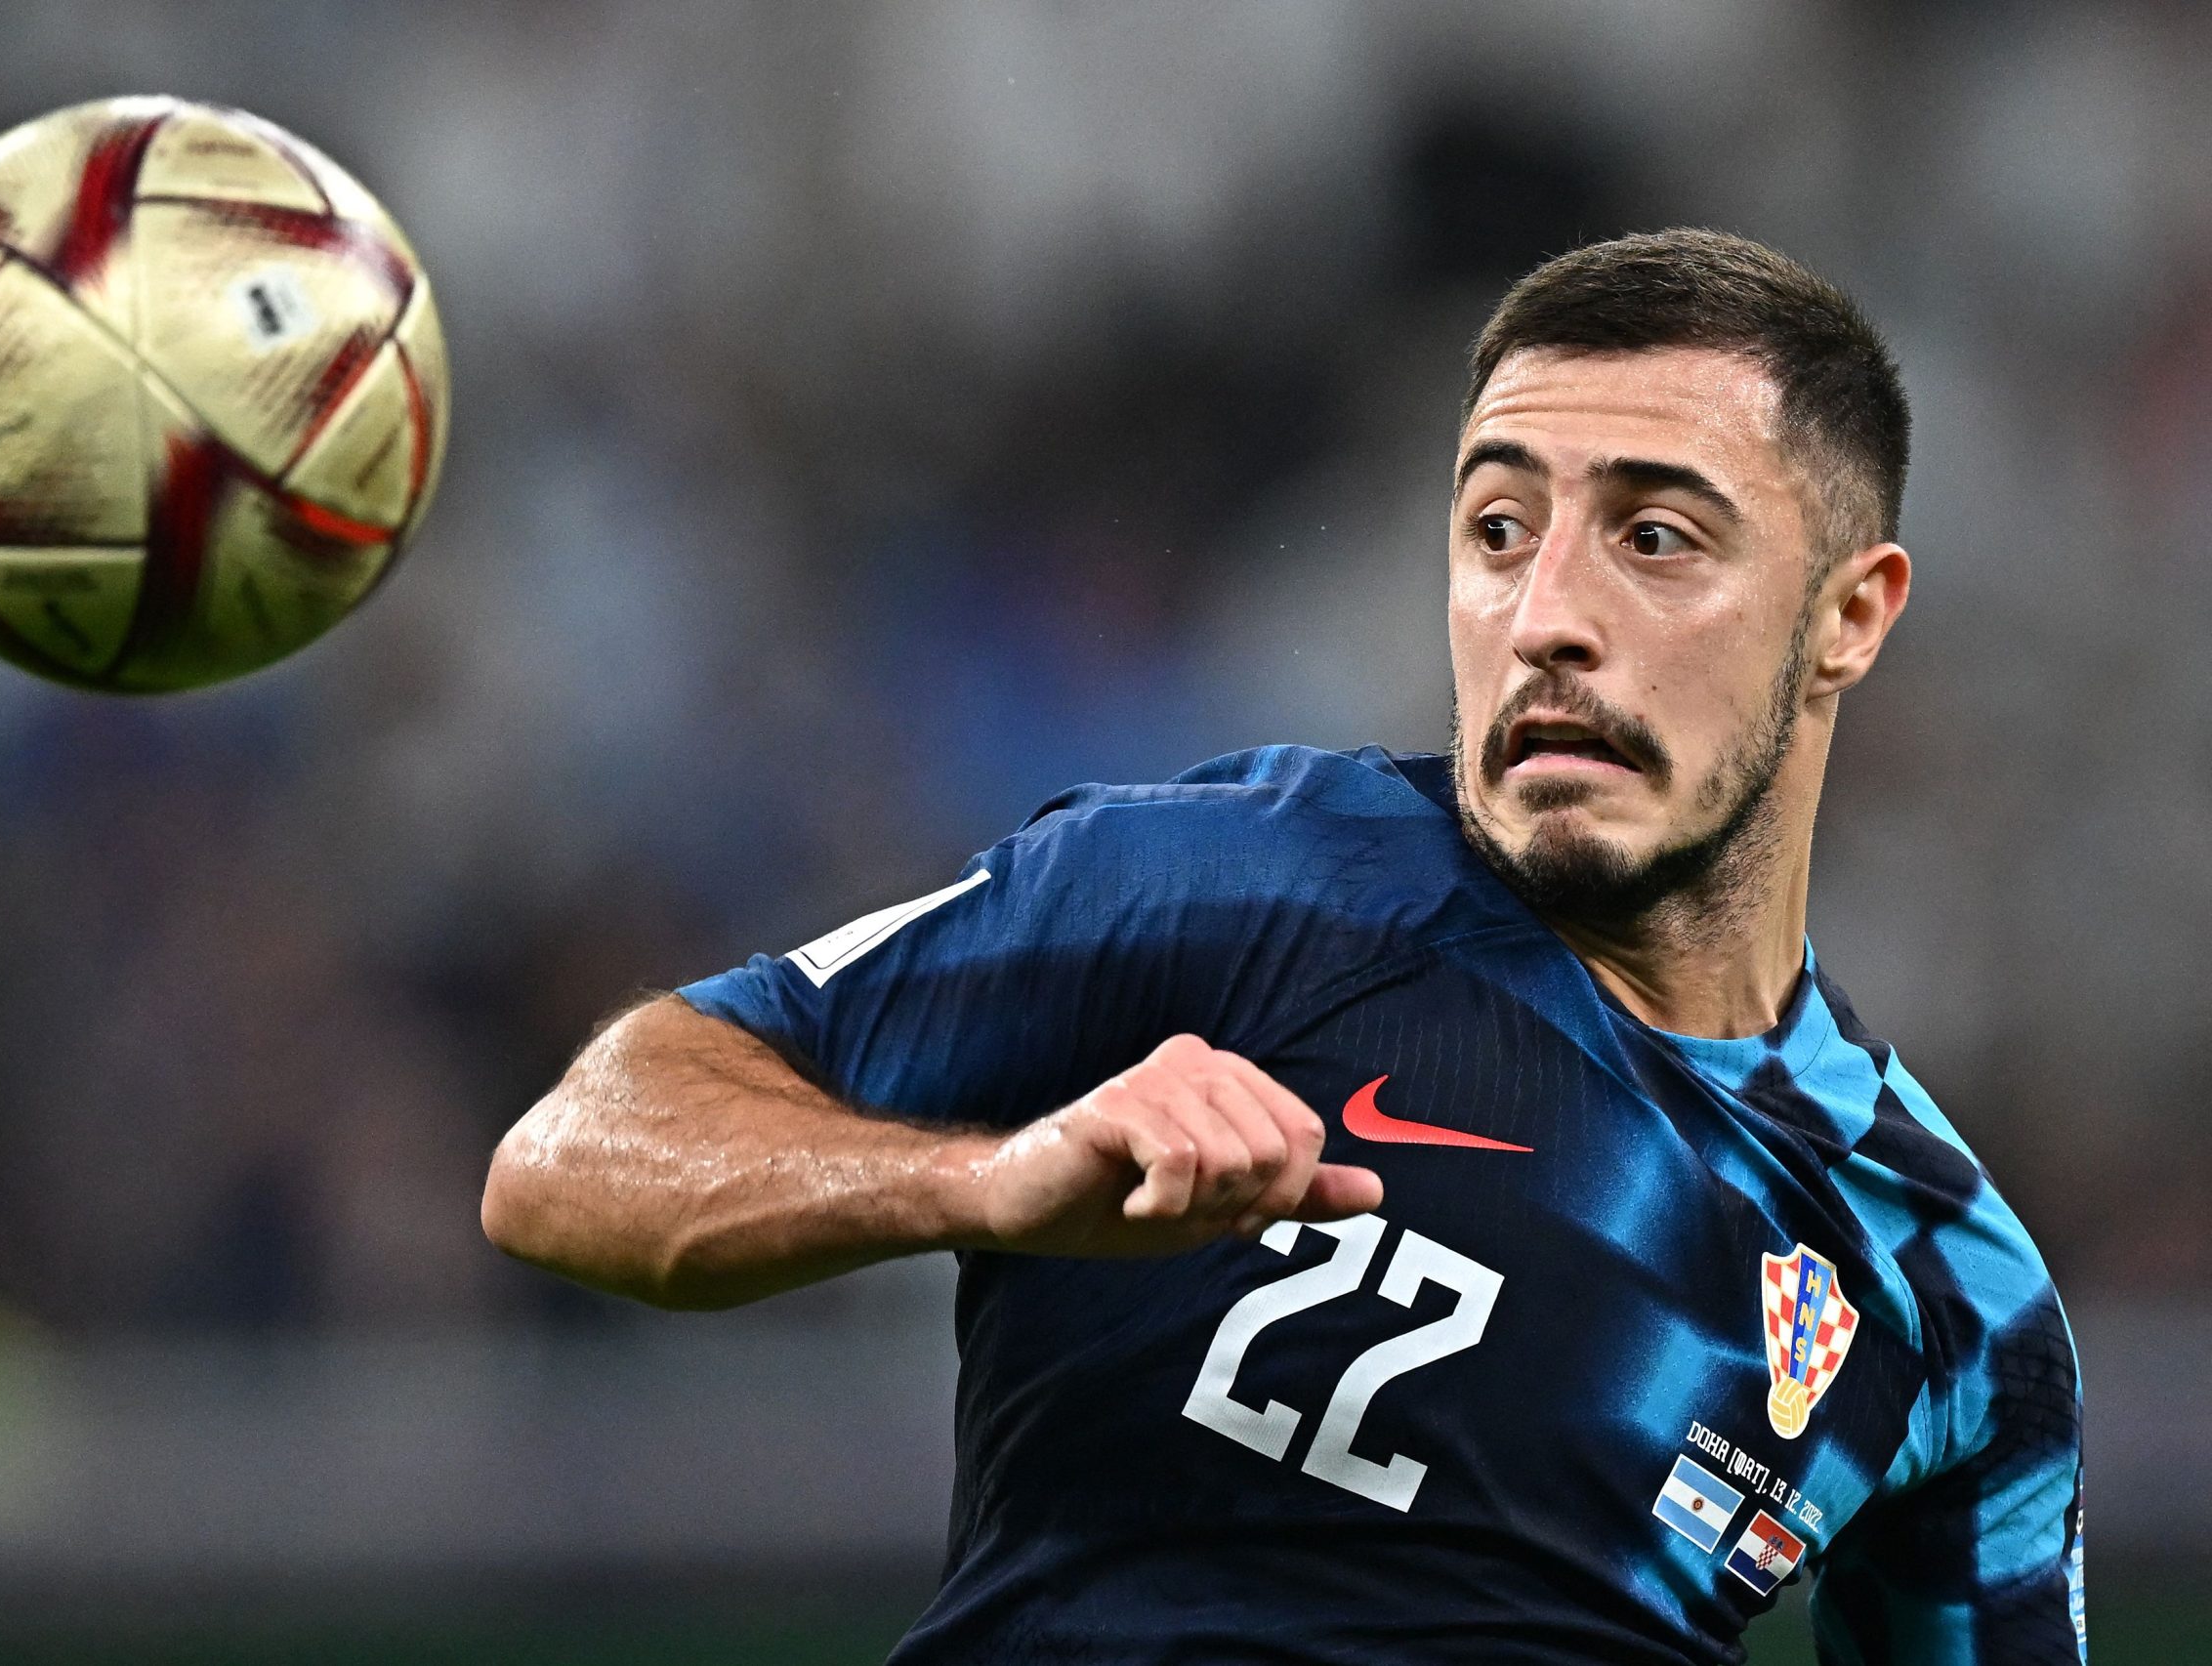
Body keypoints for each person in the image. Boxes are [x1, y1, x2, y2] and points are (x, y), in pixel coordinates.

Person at [480, 229, 2085, 1664]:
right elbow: (573, 1155)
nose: (1545, 615)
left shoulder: (1948, 1290)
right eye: (1500, 527)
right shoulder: (1234, 886)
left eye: (1656, 538)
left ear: (1847, 615)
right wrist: (979, 1182)